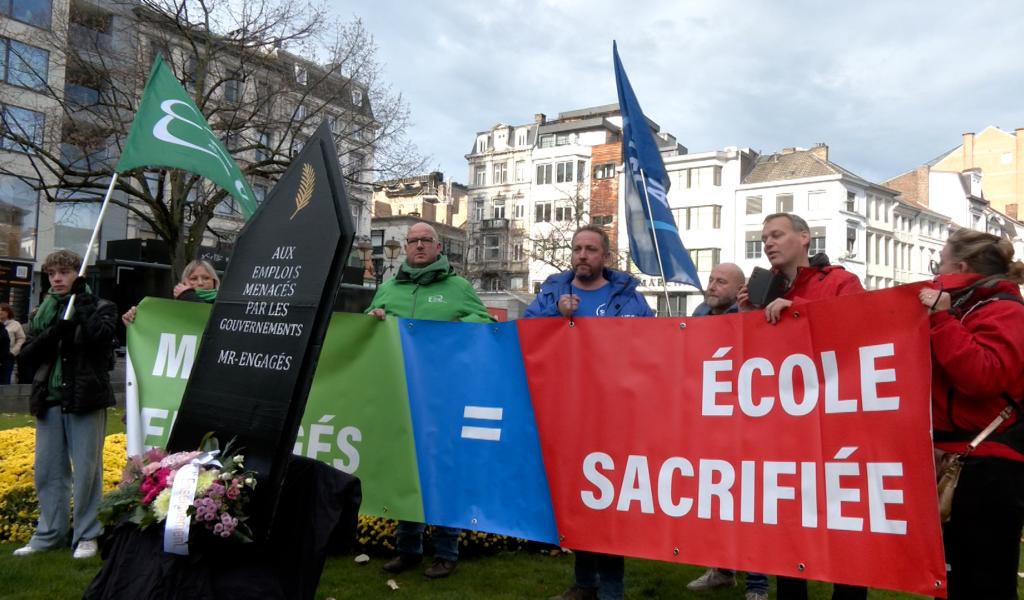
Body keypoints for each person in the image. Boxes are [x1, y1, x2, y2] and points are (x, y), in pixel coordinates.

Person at [739, 213, 865, 600]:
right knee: (789, 524)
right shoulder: (764, 288)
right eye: (764, 237)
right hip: (786, 425)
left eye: (777, 235)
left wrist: (798, 307)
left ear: (805, 237)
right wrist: (747, 319)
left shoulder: (840, 281)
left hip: (835, 424)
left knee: (844, 525)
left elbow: (860, 328)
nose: (768, 243)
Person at [526, 224, 653, 600]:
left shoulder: (627, 297)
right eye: (577, 248)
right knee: (579, 503)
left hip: (613, 418)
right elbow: (524, 333)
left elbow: (652, 342)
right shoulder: (553, 292)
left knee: (608, 504)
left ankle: (611, 589)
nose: (582, 255)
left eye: (591, 249)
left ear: (606, 256)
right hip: (567, 416)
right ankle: (584, 583)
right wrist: (555, 314)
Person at [369, 222, 494, 579]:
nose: (420, 245)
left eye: (427, 240)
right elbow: (368, 328)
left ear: (438, 247)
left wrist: (457, 330)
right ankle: (408, 550)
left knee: (444, 472)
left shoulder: (458, 288)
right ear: (406, 247)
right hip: (401, 394)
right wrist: (373, 318)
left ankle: (446, 552)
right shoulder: (388, 289)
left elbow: (484, 322)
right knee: (405, 471)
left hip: (445, 397)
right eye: (414, 240)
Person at [917, 229, 1024, 600]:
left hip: (988, 468)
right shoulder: (964, 309)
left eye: (939, 263)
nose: (935, 273)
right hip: (954, 461)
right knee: (950, 581)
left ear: (960, 268)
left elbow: (984, 375)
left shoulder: (1006, 312)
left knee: (985, 582)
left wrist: (943, 322)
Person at [13, 250, 117, 559]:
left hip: (85, 398)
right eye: (51, 274)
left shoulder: (101, 306)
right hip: (49, 399)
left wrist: (83, 311)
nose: (57, 279)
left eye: (64, 272)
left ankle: (87, 534)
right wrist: (56, 330)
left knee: (86, 471)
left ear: (78, 274)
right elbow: (27, 355)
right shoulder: (42, 312)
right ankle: (49, 534)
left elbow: (103, 344)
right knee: (48, 471)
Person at [686, 264, 769, 600]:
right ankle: (722, 571)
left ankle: (757, 585)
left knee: (750, 503)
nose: (712, 286)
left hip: (746, 420)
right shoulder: (699, 314)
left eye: (721, 282)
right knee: (718, 499)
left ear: (739, 289)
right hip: (711, 420)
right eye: (711, 280)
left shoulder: (751, 314)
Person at [122, 259, 220, 325]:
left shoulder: (223, 304)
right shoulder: (172, 308)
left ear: (214, 282)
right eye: (194, 279)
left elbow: (209, 319)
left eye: (206, 278)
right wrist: (135, 323)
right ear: (184, 283)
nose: (200, 283)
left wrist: (187, 294)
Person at [0, 303, 22, 383]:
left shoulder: (15, 324)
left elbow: (21, 339)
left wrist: (13, 351)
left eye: (3, 310)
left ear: (8, 312)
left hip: (8, 355)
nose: (0, 312)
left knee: (5, 379)